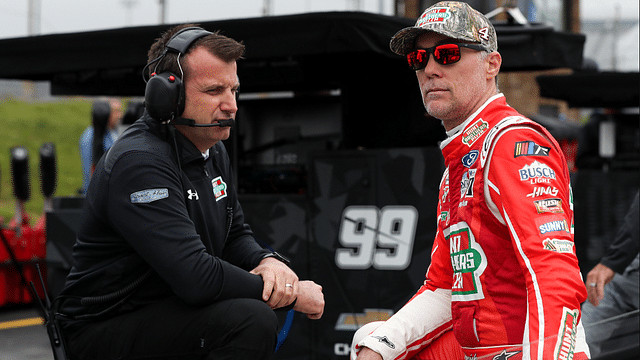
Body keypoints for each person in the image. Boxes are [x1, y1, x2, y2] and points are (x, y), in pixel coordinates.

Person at [58, 24, 324, 360]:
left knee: (248, 311)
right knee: (249, 319)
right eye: (215, 91)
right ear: (167, 96)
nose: (232, 106)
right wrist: (290, 292)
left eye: (234, 90)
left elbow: (233, 234)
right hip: (103, 328)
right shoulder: (139, 162)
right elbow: (196, 278)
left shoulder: (213, 149)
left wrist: (266, 261)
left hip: (166, 311)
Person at [350, 2, 589, 359]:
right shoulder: (459, 162)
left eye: (447, 54)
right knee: (372, 338)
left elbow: (552, 273)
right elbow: (445, 287)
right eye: (419, 59)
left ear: (491, 65)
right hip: (478, 348)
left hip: (526, 349)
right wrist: (379, 348)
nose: (430, 69)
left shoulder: (511, 143)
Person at [581, 191, 639, 357]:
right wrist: (614, 261)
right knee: (582, 336)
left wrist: (613, 261)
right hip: (629, 271)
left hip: (624, 264)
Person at [79, 98, 123, 194]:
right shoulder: (90, 136)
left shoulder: (113, 132)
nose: (120, 115)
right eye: (116, 111)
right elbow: (90, 170)